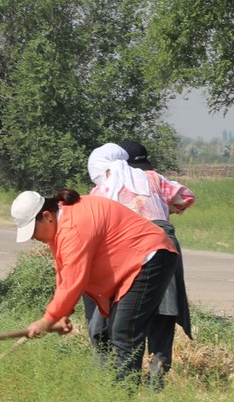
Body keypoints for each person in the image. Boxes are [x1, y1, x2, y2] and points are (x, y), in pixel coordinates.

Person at [12, 185, 179, 381]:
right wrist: (60, 315)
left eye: (32, 230)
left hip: (149, 257)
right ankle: (121, 391)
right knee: (114, 331)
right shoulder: (59, 224)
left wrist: (46, 320)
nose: (33, 237)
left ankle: (124, 397)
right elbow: (64, 274)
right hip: (132, 266)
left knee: (124, 332)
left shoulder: (73, 227)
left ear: (47, 216)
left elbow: (75, 280)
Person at [86, 141, 195, 386]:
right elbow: (187, 196)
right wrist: (164, 208)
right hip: (166, 244)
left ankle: (114, 378)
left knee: (123, 316)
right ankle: (156, 380)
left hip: (131, 250)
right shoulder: (153, 179)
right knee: (164, 311)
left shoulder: (101, 191)